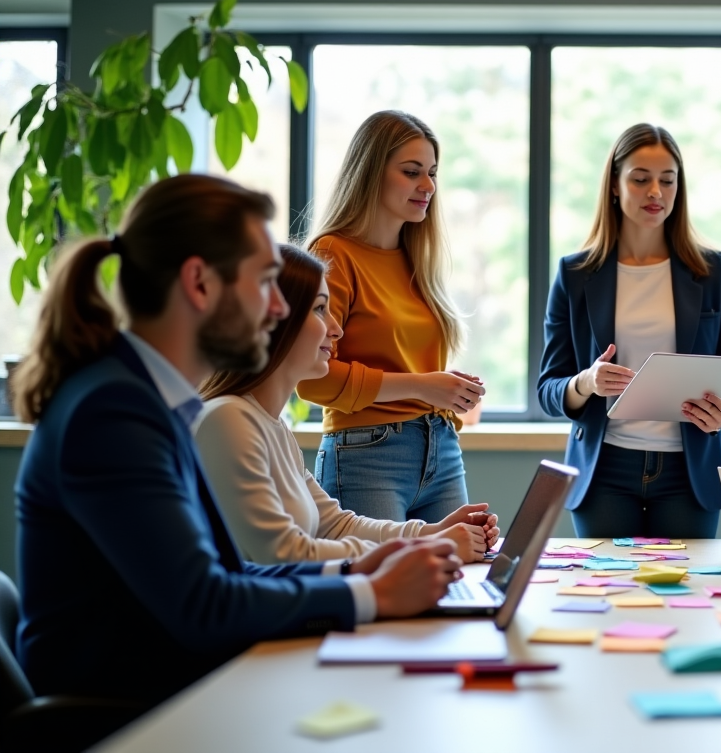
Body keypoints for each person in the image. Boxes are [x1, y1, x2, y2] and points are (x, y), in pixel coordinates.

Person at [11, 175, 463, 710]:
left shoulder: (148, 399)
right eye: (266, 281)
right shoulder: (113, 412)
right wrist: (373, 594)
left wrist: (352, 570)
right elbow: (206, 605)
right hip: (132, 717)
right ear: (200, 284)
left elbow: (224, 576)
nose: (278, 309)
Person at [195, 244, 500, 565]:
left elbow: (336, 525)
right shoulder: (228, 419)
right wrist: (424, 548)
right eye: (319, 309)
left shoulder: (272, 427)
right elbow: (284, 553)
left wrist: (433, 533)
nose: (336, 329)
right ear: (271, 318)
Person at [538, 123, 721, 538]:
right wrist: (586, 382)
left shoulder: (710, 271)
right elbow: (549, 387)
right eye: (640, 179)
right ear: (616, 186)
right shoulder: (575, 274)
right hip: (604, 470)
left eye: (667, 180)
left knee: (685, 598)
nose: (655, 192)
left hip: (688, 473)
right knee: (607, 594)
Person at [296, 110, 481, 523]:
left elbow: (409, 367)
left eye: (433, 173)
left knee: (458, 580)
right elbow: (310, 378)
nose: (428, 186)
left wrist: (447, 391)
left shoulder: (417, 259)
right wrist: (424, 386)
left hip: (441, 447)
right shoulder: (333, 254)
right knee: (386, 584)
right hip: (367, 453)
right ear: (370, 173)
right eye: (412, 171)